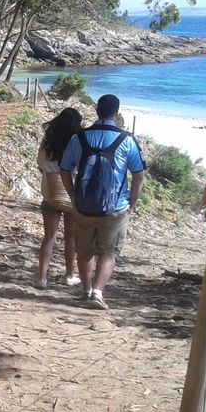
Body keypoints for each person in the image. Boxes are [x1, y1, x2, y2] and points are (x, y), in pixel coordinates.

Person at [59, 94, 146, 310]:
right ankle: (98, 291)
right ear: (116, 113)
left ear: (97, 111)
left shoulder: (78, 138)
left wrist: (72, 195)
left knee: (84, 250)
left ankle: (86, 290)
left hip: (83, 206)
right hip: (116, 208)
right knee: (109, 251)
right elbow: (139, 175)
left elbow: (65, 169)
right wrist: (131, 203)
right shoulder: (127, 139)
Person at [34, 107, 82, 289]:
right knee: (71, 238)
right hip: (72, 195)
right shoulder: (76, 143)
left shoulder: (48, 142)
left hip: (51, 194)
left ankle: (42, 278)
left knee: (49, 238)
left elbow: (40, 165)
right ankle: (69, 275)